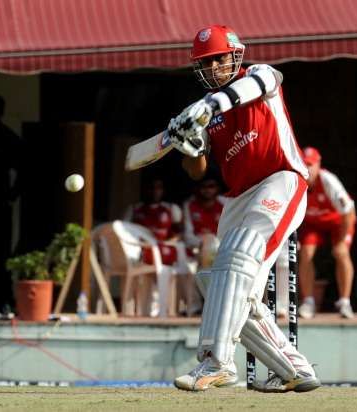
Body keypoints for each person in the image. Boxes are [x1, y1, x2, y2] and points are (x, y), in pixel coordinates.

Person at [166, 24, 320, 393]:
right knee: (227, 285)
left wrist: (206, 106)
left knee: (237, 263)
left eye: (218, 58)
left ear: (234, 55)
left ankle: (216, 362)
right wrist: (188, 144)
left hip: (281, 179)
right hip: (238, 197)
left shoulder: (258, 75)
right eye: (206, 62)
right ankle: (293, 367)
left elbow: (246, 90)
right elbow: (197, 170)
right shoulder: (206, 113)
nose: (213, 66)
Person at [297, 147, 356, 319]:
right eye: (303, 164)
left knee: (341, 253)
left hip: (339, 221)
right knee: (305, 253)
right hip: (313, 224)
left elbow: (348, 212)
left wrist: (341, 241)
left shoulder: (329, 181)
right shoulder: (295, 181)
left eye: (310, 165)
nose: (307, 169)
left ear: (318, 164)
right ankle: (308, 301)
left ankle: (345, 302)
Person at [123, 176, 192, 316]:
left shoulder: (171, 209)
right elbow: (124, 234)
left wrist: (165, 243)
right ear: (144, 190)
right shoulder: (134, 209)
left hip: (165, 253)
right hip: (141, 254)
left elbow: (180, 233)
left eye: (158, 187)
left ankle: (184, 308)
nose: (155, 191)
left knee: (183, 264)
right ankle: (143, 311)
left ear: (163, 190)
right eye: (151, 187)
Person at [182, 174, 226, 315]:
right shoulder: (190, 205)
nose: (207, 190)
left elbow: (230, 230)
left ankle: (220, 309)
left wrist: (213, 243)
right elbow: (188, 236)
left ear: (217, 188)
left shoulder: (225, 203)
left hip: (221, 251)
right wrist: (203, 242)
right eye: (203, 187)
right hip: (196, 250)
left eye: (211, 186)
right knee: (187, 269)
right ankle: (194, 309)